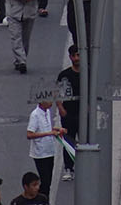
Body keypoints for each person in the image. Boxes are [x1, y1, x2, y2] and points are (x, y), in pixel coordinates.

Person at [25, 100, 63, 197]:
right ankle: (40, 200)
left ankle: (43, 200)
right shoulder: (35, 115)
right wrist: (49, 133)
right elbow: (29, 134)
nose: (51, 103)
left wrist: (57, 130)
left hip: (50, 151)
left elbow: (47, 129)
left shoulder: (47, 112)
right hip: (40, 153)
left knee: (48, 181)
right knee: (45, 181)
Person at [56, 46, 81, 181]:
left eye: (78, 55)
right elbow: (57, 92)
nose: (77, 58)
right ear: (70, 57)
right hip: (68, 113)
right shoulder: (64, 75)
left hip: (83, 114)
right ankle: (68, 168)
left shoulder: (88, 73)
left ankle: (83, 166)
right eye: (74, 56)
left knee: (84, 140)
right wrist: (61, 108)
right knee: (68, 141)